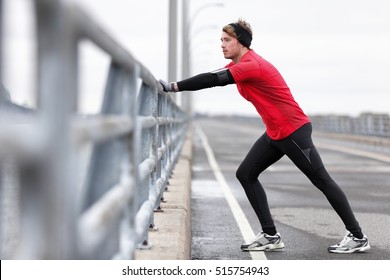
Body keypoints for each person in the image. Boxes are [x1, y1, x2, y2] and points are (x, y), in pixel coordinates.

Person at [159, 18, 370, 254]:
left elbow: (212, 80)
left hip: (293, 130)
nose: (222, 45)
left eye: (227, 40)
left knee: (321, 180)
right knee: (246, 174)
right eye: (221, 40)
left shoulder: (252, 65)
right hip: (275, 131)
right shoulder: (239, 65)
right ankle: (270, 235)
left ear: (242, 43)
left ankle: (358, 237)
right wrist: (175, 86)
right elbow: (213, 75)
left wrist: (173, 87)